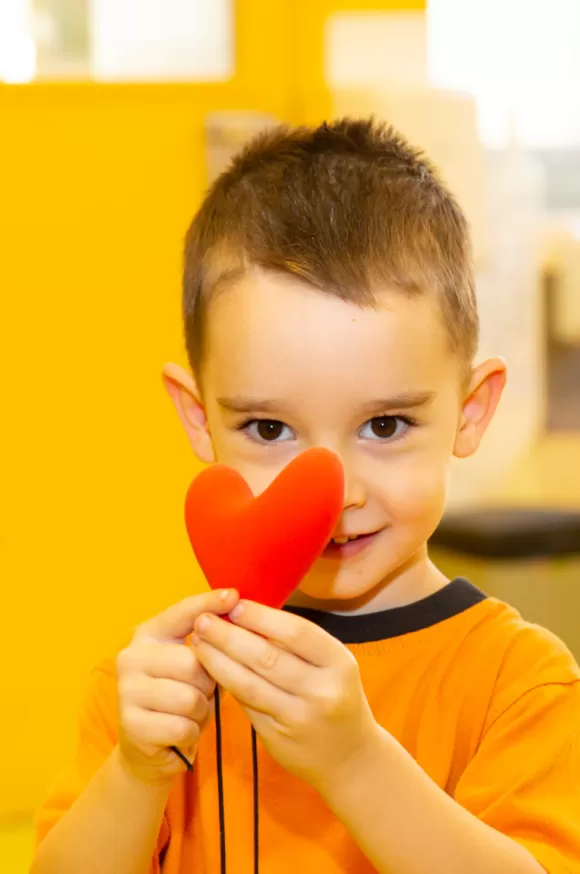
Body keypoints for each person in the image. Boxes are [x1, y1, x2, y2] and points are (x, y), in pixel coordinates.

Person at [32, 119, 580, 874]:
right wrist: (134, 774)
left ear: (471, 411)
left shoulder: (516, 686)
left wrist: (355, 762)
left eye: (385, 425)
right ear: (198, 417)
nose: (337, 494)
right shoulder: (159, 683)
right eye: (269, 427)